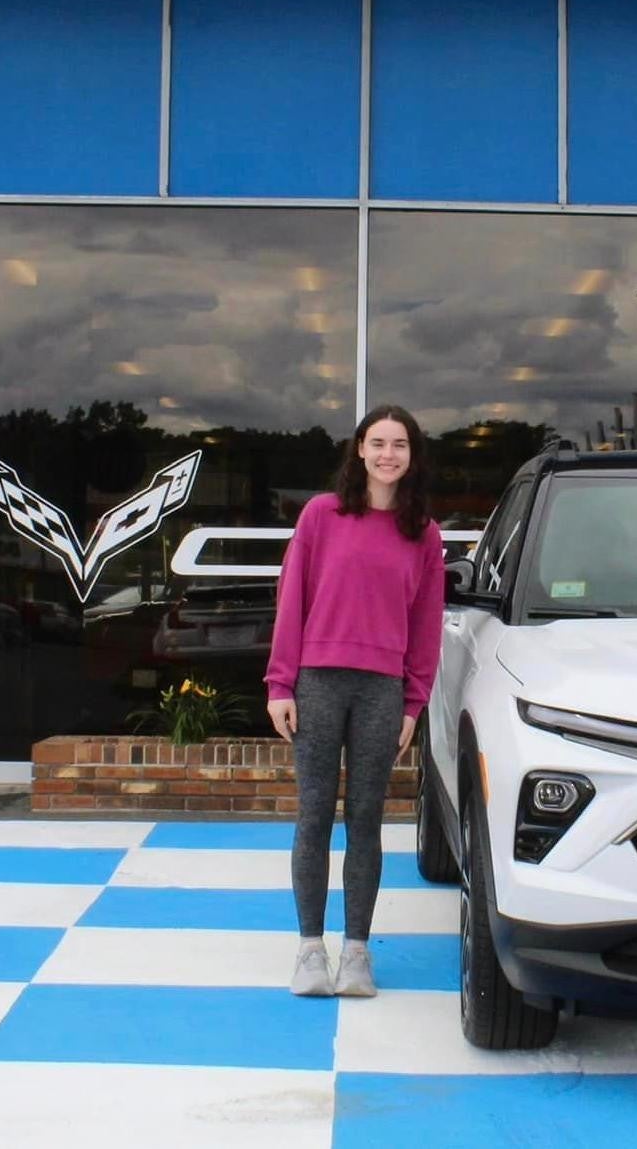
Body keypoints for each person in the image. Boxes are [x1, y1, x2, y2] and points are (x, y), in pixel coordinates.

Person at [265, 405, 445, 997]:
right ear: (360, 450)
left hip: (381, 692)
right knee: (313, 816)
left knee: (365, 821)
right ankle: (310, 950)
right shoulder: (322, 515)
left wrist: (413, 705)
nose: (388, 454)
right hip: (318, 683)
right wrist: (280, 683)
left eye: (400, 444)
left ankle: (358, 953)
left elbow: (426, 626)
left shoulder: (423, 533)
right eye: (378, 443)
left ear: (412, 455)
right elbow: (291, 598)